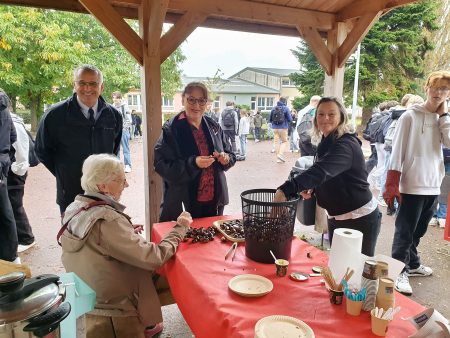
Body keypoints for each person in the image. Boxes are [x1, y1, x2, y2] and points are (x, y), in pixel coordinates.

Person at [60, 154, 191, 338]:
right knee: (180, 275)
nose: (126, 184)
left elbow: (99, 239)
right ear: (102, 186)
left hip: (90, 289)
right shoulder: (108, 221)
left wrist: (125, 231)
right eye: (121, 180)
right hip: (115, 301)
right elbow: (154, 257)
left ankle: (148, 322)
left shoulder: (76, 206)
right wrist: (181, 227)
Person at [274, 97, 382, 256]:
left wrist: (286, 189)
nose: (325, 118)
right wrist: (314, 188)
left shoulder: (346, 144)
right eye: (321, 114)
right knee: (338, 268)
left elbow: (322, 170)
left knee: (357, 270)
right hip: (336, 216)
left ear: (341, 117)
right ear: (315, 119)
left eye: (331, 114)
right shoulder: (327, 141)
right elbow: (331, 175)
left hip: (359, 218)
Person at [384, 70, 450, 296]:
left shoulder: (443, 118)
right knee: (405, 231)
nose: (439, 93)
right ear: (427, 88)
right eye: (436, 87)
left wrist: (444, 117)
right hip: (411, 183)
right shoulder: (410, 116)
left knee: (419, 229)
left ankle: (412, 264)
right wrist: (391, 183)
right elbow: (398, 151)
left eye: (444, 89)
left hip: (433, 182)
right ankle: (396, 270)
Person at [35, 64, 122, 214]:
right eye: (82, 83)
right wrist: (64, 173)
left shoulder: (113, 115)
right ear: (74, 85)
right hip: (70, 192)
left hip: (104, 192)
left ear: (101, 86)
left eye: (93, 84)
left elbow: (113, 150)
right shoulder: (55, 115)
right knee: (73, 235)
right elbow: (42, 151)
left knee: (104, 234)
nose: (87, 89)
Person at [154, 82, 236, 222]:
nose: (196, 106)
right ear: (183, 99)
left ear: (206, 103)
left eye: (201, 101)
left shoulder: (213, 125)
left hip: (214, 200)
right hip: (184, 203)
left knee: (211, 240)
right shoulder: (172, 128)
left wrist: (226, 159)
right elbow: (161, 165)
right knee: (186, 241)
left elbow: (231, 154)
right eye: (191, 100)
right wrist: (193, 163)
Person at [8, 110, 36, 252]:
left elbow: (21, 150)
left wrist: (16, 170)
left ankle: (26, 238)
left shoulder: (13, 123)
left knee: (15, 204)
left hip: (14, 171)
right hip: (12, 169)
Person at [0, 90, 19, 263]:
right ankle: (11, 256)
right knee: (5, 211)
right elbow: (13, 135)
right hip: (2, 164)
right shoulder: (4, 107)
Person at [112, 91, 132, 173]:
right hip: (115, 131)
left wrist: (124, 128)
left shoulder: (124, 106)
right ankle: (118, 167)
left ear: (120, 98)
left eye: (116, 98)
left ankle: (128, 165)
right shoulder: (112, 107)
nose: (115, 100)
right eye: (113, 98)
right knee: (116, 150)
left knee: (125, 149)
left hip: (123, 131)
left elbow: (129, 120)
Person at [269, 97, 292, 163]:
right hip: (283, 127)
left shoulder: (273, 108)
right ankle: (280, 155)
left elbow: (270, 119)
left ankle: (278, 159)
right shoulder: (286, 108)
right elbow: (290, 119)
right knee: (284, 141)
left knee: (276, 142)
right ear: (285, 102)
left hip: (275, 128)